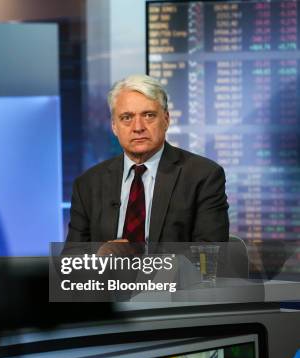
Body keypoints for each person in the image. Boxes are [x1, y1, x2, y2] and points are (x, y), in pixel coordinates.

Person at [66, 74, 229, 245]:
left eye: (149, 115)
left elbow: (210, 255)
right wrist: (99, 259)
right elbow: (71, 261)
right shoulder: (88, 184)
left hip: (174, 272)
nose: (138, 127)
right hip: (107, 272)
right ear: (114, 126)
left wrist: (153, 265)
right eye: (127, 118)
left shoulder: (203, 176)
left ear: (166, 120)